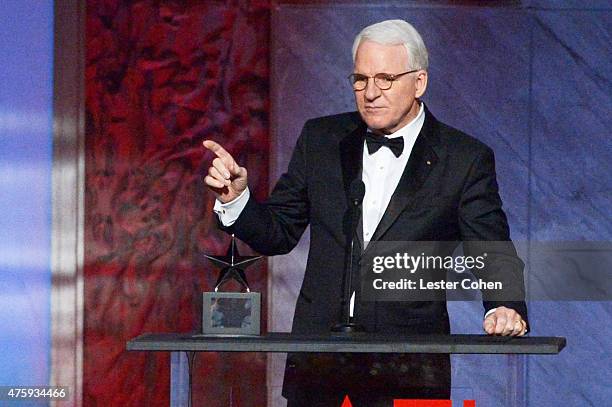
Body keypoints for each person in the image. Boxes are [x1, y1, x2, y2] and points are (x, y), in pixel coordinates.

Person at [203, 19, 528, 406]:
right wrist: (236, 199)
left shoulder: (464, 159)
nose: (370, 92)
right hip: (319, 368)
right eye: (361, 79)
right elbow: (278, 232)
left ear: (419, 83)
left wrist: (505, 306)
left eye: (386, 79)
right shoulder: (320, 140)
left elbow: (490, 248)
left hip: (408, 370)